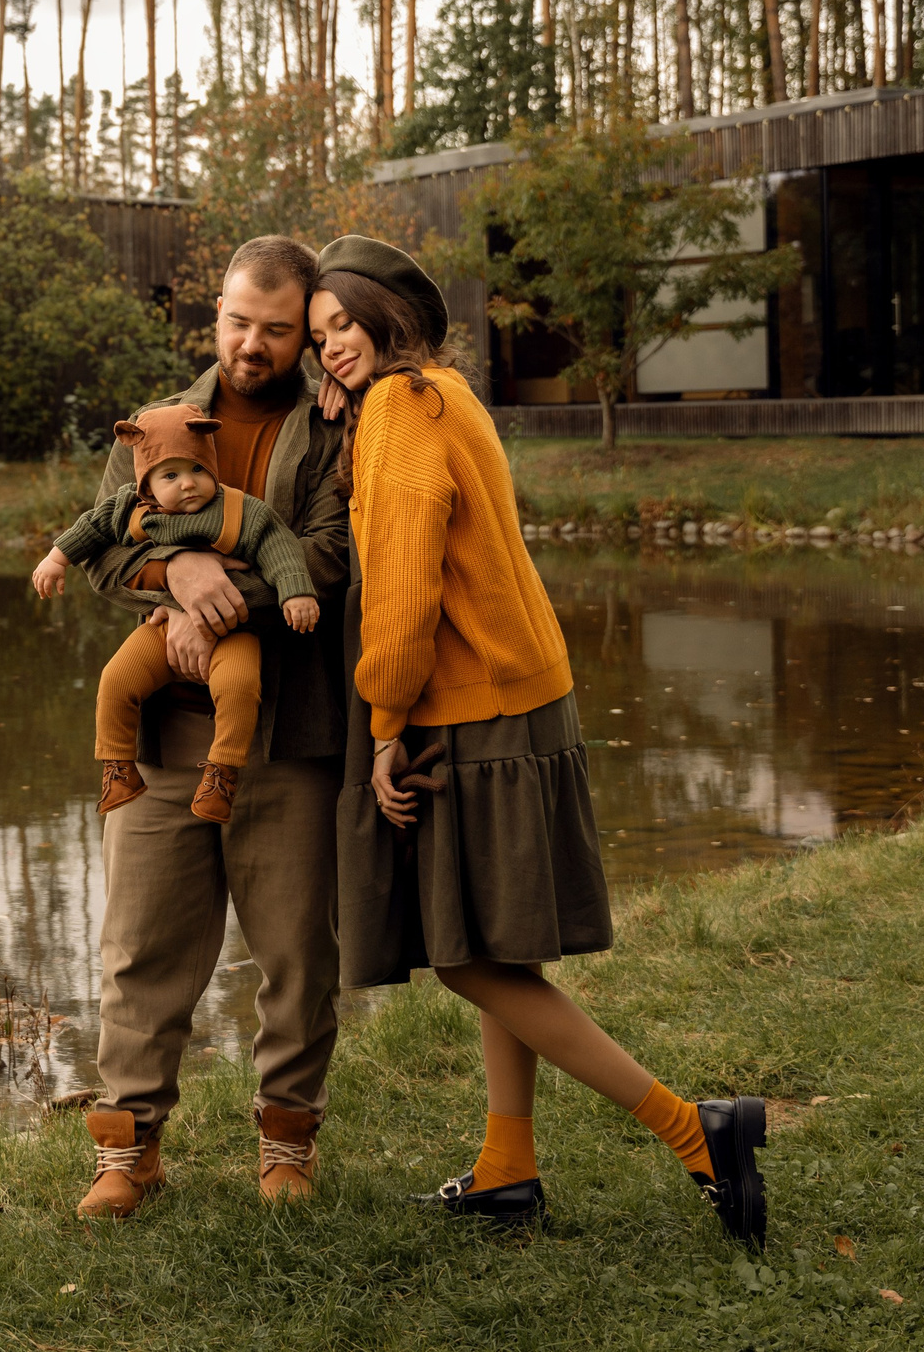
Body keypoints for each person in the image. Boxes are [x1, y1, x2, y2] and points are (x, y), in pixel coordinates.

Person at [312, 232, 771, 1248]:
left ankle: (693, 1131)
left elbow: (400, 579)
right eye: (319, 337)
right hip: (523, 691)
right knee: (493, 938)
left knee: (466, 955)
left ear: (386, 318)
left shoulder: (396, 407)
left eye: (341, 323)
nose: (330, 347)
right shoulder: (445, 393)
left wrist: (384, 723)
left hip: (467, 705)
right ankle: (507, 1167)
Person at [71, 236, 351, 1218]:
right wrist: (167, 576)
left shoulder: (330, 433)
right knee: (139, 952)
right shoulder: (155, 427)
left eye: (277, 330)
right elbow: (103, 548)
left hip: (287, 738)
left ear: (302, 332)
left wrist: (210, 589)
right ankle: (128, 1152)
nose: (251, 345)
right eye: (238, 321)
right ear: (216, 315)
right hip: (158, 747)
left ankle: (286, 1145)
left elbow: (327, 555)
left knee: (297, 958)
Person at [33, 403, 322, 823]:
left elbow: (280, 549)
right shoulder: (131, 509)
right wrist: (57, 559)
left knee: (240, 686)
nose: (188, 484)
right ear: (146, 483)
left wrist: (296, 593)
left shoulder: (241, 511)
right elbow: (91, 529)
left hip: (236, 629)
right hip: (164, 628)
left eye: (197, 470)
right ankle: (117, 766)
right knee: (116, 679)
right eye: (171, 475)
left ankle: (222, 772)